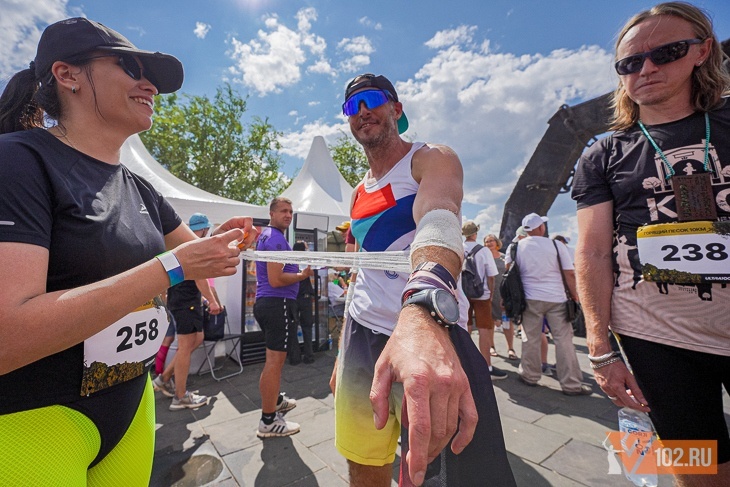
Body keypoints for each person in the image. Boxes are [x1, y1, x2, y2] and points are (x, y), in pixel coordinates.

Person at [0, 17, 256, 485]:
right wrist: (170, 268)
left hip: (132, 409)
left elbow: (198, 253)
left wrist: (227, 239)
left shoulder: (140, 187)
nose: (150, 85)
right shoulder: (18, 160)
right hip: (36, 419)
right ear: (67, 74)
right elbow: (7, 337)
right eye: (130, 67)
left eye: (151, 76)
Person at [572, 3, 730, 484]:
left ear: (702, 51)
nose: (646, 69)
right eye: (629, 62)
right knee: (699, 468)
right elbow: (592, 251)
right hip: (656, 337)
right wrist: (600, 349)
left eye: (667, 52)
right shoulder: (603, 153)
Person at [331, 73, 515, 486]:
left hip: (428, 329)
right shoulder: (358, 192)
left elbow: (438, 218)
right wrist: (342, 353)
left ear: (396, 108)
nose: (362, 111)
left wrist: (423, 302)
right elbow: (361, 270)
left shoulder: (430, 158)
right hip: (362, 334)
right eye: (352, 106)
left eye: (372, 99)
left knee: (432, 473)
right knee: (363, 463)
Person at [512, 213, 589, 395]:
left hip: (529, 298)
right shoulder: (556, 245)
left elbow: (511, 273)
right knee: (564, 340)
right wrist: (575, 296)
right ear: (541, 227)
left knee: (530, 338)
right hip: (557, 298)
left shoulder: (516, 247)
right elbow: (569, 273)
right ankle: (571, 384)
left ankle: (530, 375)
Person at [254, 197, 313, 437]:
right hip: (277, 304)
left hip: (270, 304)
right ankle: (268, 421)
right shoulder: (275, 239)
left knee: (272, 361)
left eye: (290, 211)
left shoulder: (268, 236)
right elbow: (276, 280)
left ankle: (275, 401)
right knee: (274, 363)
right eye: (283, 211)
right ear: (272, 213)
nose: (288, 215)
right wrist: (302, 276)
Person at [152, 213, 221, 410]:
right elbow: (200, 278)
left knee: (197, 338)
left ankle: (164, 378)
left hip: (181, 302)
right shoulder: (194, 247)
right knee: (185, 347)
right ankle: (180, 396)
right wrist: (212, 301)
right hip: (186, 304)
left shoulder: (179, 247)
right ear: (204, 229)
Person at [462, 221, 506, 380]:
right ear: (475, 234)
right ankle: (487, 366)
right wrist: (491, 294)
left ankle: (464, 365)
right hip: (482, 295)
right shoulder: (484, 251)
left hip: (463, 295)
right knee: (484, 329)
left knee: (465, 328)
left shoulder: (458, 248)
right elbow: (491, 276)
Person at [484, 234, 517, 360]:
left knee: (507, 322)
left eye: (491, 241)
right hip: (489, 293)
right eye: (486, 241)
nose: (489, 243)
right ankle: (491, 346)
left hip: (503, 293)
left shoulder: (504, 257)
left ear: (496, 242)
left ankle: (511, 348)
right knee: (490, 322)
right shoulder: (484, 257)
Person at [292, 241, 315, 364]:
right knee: (307, 327)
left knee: (293, 327)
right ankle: (308, 356)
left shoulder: (290, 262)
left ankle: (294, 357)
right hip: (305, 298)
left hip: (293, 298)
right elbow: (312, 272)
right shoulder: (306, 262)